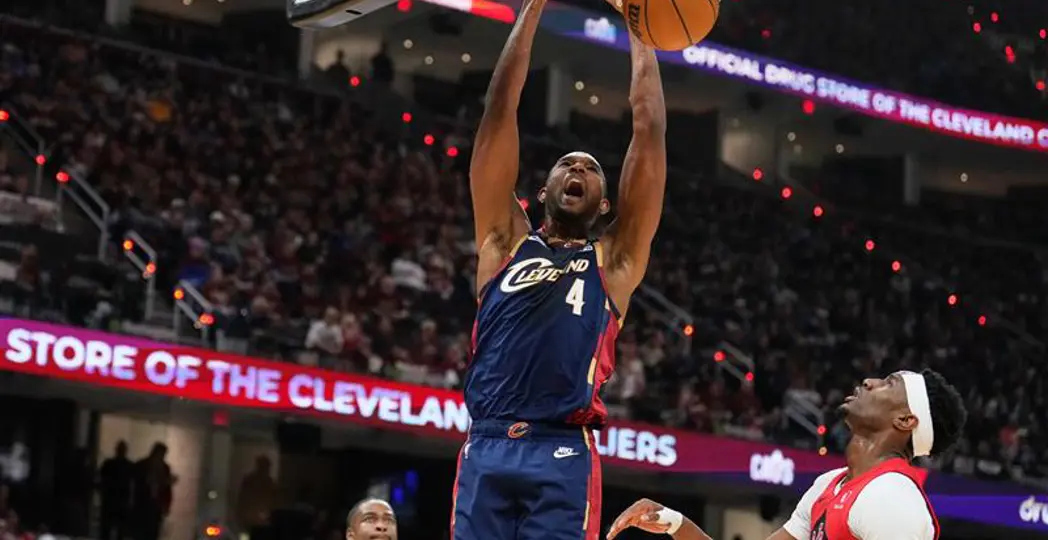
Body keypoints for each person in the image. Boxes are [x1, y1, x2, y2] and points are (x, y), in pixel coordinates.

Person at [451, 0, 666, 536]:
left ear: (605, 203)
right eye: (566, 164)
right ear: (541, 190)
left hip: (563, 450)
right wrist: (532, 6)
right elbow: (500, 106)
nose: (577, 168)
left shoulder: (614, 262)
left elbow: (649, 129)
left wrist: (640, 24)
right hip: (487, 442)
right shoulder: (502, 241)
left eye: (591, 169)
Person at [606, 369, 967, 540]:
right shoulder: (831, 485)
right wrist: (674, 522)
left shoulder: (894, 498)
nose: (871, 381)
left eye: (889, 384)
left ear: (905, 420)